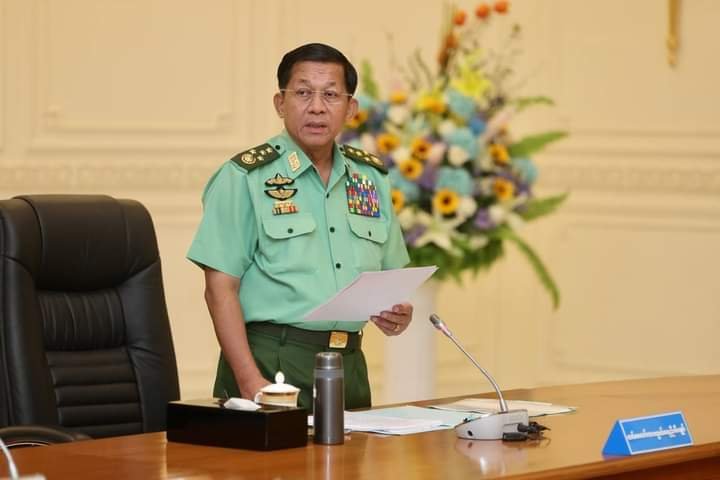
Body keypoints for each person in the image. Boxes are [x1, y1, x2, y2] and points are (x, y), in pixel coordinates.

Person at [187, 43, 413, 410]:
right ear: (280, 103)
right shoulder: (246, 177)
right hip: (270, 363)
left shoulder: (370, 179)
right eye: (303, 93)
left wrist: (398, 313)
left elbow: (391, 277)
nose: (317, 107)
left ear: (350, 108)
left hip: (349, 365)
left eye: (331, 95)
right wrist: (249, 381)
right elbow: (219, 289)